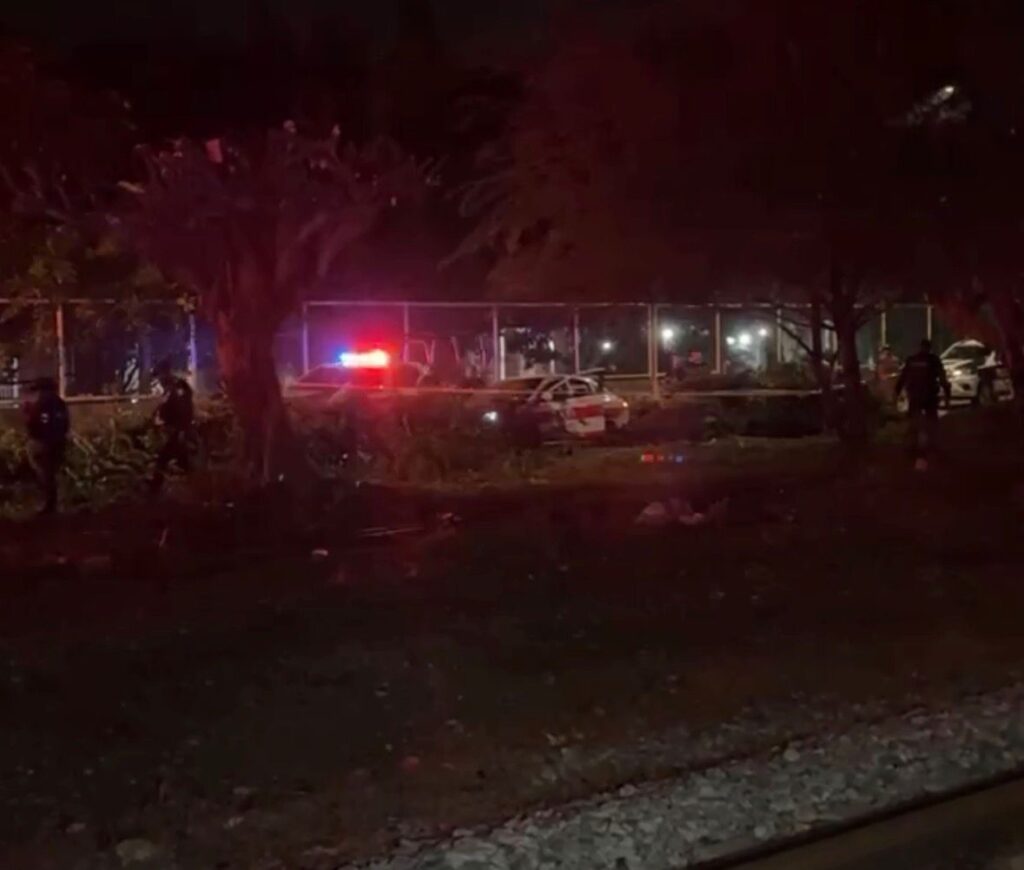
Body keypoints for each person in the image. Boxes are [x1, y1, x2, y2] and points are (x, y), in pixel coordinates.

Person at [894, 339, 951, 468]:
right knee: (932, 421)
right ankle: (930, 446)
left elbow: (903, 377)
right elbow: (942, 377)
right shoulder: (933, 360)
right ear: (929, 348)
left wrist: (897, 391)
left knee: (914, 422)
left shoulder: (912, 360)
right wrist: (947, 393)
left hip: (915, 396)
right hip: (929, 396)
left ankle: (912, 447)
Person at [23, 377, 70, 514]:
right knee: (51, 473)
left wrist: (29, 416)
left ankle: (49, 504)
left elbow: (34, 423)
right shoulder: (59, 403)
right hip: (57, 441)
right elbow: (65, 423)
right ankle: (53, 503)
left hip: (42, 442)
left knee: (44, 474)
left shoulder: (41, 403)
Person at [150, 361, 194, 492]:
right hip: (177, 430)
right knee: (180, 460)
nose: (159, 380)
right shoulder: (174, 387)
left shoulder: (176, 388)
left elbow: (182, 410)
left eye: (159, 376)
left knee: (163, 459)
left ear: (165, 374)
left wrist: (181, 429)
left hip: (178, 431)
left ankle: (155, 488)